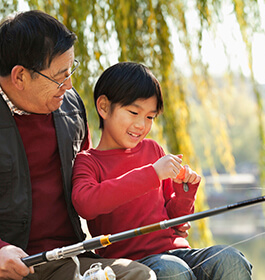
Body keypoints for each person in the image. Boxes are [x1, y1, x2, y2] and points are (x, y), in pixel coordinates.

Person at [0, 11, 156, 280]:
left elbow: (91, 189)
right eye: (60, 76)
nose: (70, 85)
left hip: (71, 255)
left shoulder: (71, 107)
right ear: (20, 77)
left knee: (142, 275)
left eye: (71, 70)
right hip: (13, 267)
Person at [72, 62, 253, 279]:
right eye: (133, 112)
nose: (142, 125)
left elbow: (175, 220)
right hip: (134, 263)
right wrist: (153, 174)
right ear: (103, 107)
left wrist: (185, 193)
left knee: (230, 259)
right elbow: (86, 204)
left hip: (177, 253)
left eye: (150, 117)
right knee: (173, 270)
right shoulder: (89, 162)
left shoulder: (153, 149)